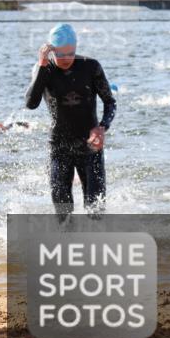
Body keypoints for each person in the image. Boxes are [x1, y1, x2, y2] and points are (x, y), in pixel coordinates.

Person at [24, 23, 116, 220]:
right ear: (50, 50)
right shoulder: (44, 70)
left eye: (70, 53)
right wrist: (41, 65)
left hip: (90, 146)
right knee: (63, 214)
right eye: (60, 54)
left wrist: (102, 128)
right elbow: (31, 103)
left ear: (76, 47)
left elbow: (110, 102)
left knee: (96, 210)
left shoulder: (91, 67)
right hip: (60, 147)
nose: (66, 59)